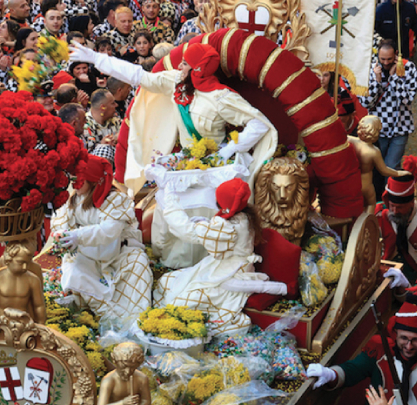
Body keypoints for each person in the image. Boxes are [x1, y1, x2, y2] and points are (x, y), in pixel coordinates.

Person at [68, 41, 277, 194]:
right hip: (185, 166)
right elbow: (138, 76)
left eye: (185, 64)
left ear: (198, 69)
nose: (179, 67)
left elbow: (258, 123)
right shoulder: (176, 82)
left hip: (216, 171)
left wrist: (228, 150)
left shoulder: (221, 97)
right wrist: (96, 58)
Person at [153, 178, 287, 338]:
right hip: (226, 267)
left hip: (229, 274)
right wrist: (204, 223)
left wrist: (170, 200)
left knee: (181, 302)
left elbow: (187, 230)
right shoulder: (245, 215)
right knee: (169, 281)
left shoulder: (228, 228)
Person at [50, 155, 152, 332]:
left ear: (94, 180)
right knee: (74, 271)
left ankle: (135, 323)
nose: (75, 184)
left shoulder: (115, 199)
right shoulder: (72, 199)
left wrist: (77, 236)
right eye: (73, 180)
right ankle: (107, 315)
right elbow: (60, 222)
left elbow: (109, 231)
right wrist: (62, 234)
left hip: (120, 254)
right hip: (88, 256)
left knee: (138, 265)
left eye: (80, 180)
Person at [359, 40, 417, 171]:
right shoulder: (370, 69)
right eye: (382, 59)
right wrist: (376, 81)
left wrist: (394, 77)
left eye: (389, 59)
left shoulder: (408, 68)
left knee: (391, 168)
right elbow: (366, 102)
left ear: (396, 55)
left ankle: (390, 191)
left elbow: (407, 99)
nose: (386, 63)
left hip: (400, 127)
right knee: (376, 169)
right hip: (378, 130)